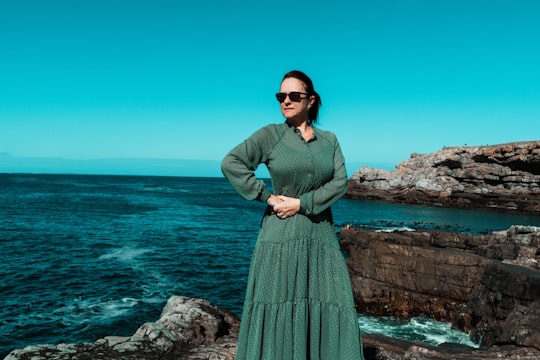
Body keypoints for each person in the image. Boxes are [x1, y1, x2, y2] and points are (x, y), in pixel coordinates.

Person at [221, 70, 364, 359]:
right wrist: (267, 196)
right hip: (280, 233)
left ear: (310, 100)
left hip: (320, 235)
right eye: (280, 96)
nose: (286, 101)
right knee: (279, 301)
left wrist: (301, 203)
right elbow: (231, 163)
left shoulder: (329, 140)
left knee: (330, 298)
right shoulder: (271, 135)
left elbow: (340, 183)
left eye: (293, 96)